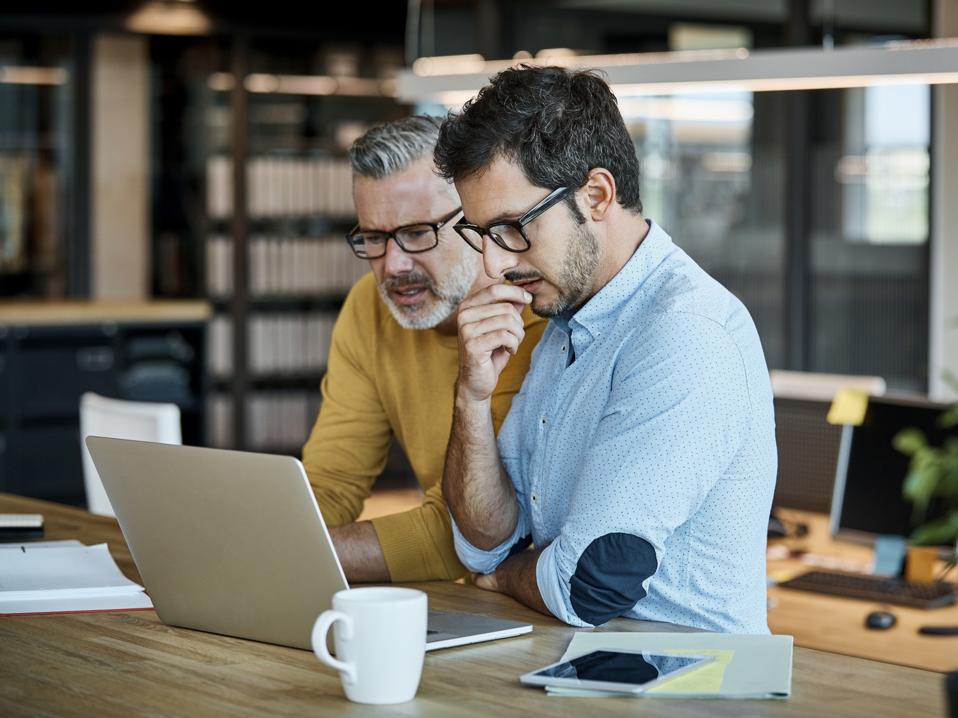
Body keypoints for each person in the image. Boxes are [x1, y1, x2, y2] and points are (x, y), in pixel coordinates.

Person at [435, 66, 777, 633]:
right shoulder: (565, 323)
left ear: (596, 194)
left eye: (512, 228)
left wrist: (508, 578)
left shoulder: (685, 333)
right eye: (481, 236)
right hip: (583, 670)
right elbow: (486, 544)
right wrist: (471, 398)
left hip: (687, 686)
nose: (494, 265)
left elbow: (590, 585)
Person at [302, 116, 545, 583]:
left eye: (417, 233)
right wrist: (254, 538)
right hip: (469, 603)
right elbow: (330, 485)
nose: (393, 265)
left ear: (475, 219)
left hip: (557, 615)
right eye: (374, 237)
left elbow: (467, 533)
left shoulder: (532, 316)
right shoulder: (368, 309)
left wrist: (292, 554)